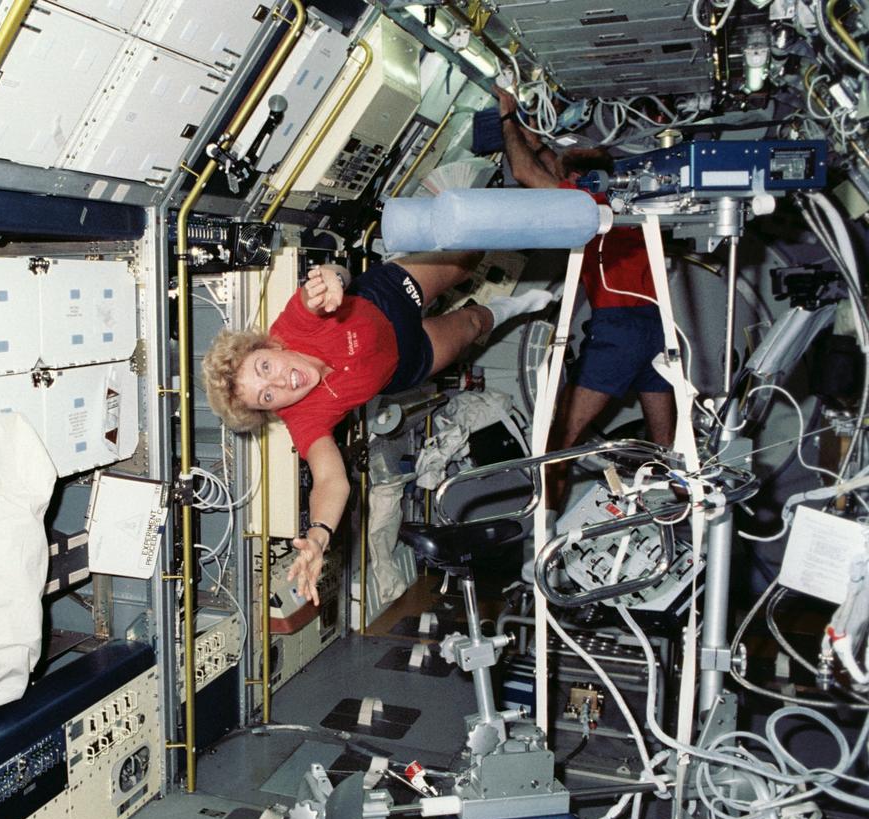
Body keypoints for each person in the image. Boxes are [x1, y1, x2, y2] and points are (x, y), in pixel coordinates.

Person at [202, 254, 554, 605]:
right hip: (405, 361)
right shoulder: (303, 416)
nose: (280, 381)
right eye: (267, 396)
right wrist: (319, 535)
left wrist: (334, 279)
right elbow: (329, 480)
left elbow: (327, 281)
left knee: (465, 261)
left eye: (265, 366)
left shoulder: (295, 325)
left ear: (269, 346)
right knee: (473, 325)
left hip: (386, 298)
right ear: (271, 410)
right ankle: (516, 306)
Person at [496, 87, 675, 510]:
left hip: (620, 331)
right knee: (670, 449)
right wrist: (532, 130)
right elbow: (541, 161)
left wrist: (506, 116)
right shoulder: (626, 200)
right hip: (658, 329)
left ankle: (546, 530)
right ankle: (683, 520)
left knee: (560, 440)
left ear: (576, 179)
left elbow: (526, 171)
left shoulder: (585, 203)